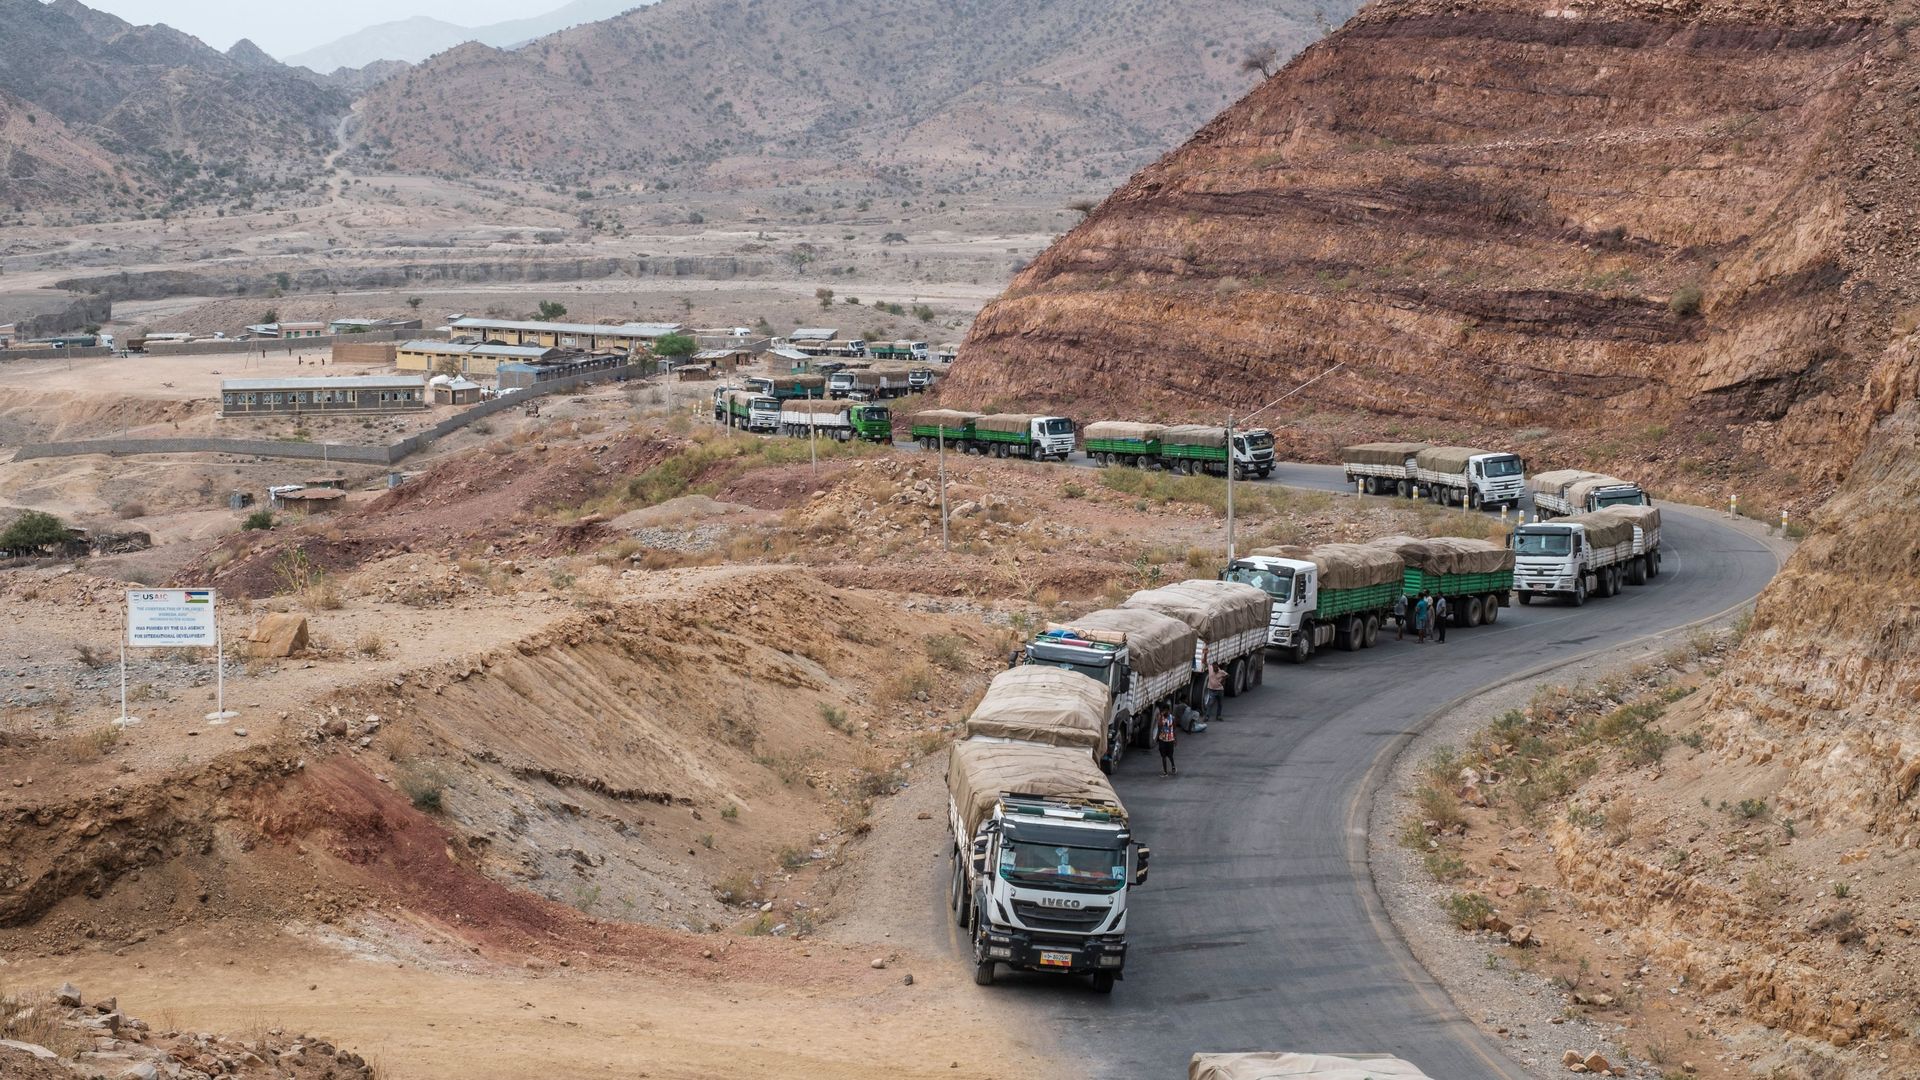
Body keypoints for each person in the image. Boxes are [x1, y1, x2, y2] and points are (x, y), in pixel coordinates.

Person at [1154, 707, 1178, 776]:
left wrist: (1175, 739)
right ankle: (1165, 772)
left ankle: (1173, 765)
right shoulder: (1161, 718)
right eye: (1163, 710)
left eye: (1165, 710)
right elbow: (1159, 725)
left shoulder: (1172, 718)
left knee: (1170, 755)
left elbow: (1174, 729)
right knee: (1163, 756)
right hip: (1162, 739)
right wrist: (1161, 717)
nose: (1164, 712)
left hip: (1170, 739)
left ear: (1168, 711)